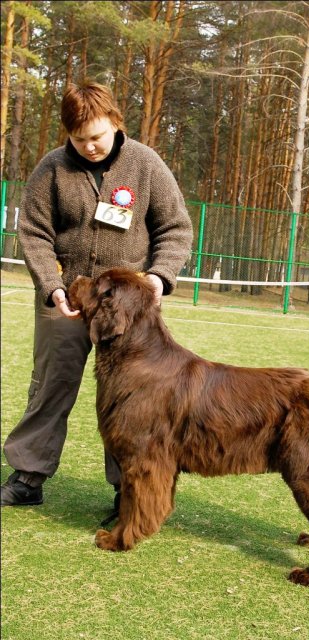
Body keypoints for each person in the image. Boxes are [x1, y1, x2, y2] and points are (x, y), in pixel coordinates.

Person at [1, 81, 193, 513]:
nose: (90, 146)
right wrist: (52, 287)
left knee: (133, 398)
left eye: (98, 137)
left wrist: (160, 278)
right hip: (66, 302)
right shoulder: (51, 169)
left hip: (128, 310)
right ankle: (29, 476)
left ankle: (128, 489)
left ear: (116, 124)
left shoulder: (146, 164)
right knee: (50, 386)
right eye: (80, 138)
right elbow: (33, 233)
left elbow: (176, 229)